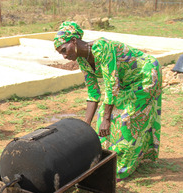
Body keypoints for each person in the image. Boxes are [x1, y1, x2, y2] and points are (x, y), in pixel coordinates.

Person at [54, 21, 162, 180]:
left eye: (64, 50)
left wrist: (107, 118)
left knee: (127, 120)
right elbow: (93, 92)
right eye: (60, 53)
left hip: (145, 76)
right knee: (101, 122)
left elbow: (111, 85)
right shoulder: (83, 60)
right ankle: (109, 160)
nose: (64, 56)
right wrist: (85, 124)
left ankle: (121, 169)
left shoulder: (102, 48)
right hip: (125, 82)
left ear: (74, 41)